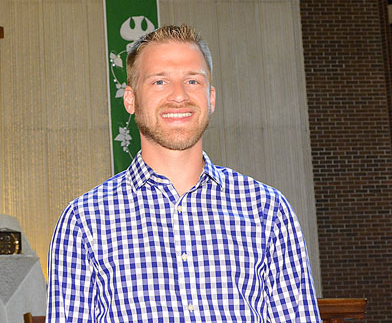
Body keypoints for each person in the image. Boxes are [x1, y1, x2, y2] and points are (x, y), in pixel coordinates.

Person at [46, 25, 321, 322]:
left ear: (211, 98)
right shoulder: (85, 221)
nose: (179, 96)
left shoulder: (268, 210)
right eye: (160, 82)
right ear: (130, 99)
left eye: (192, 80)